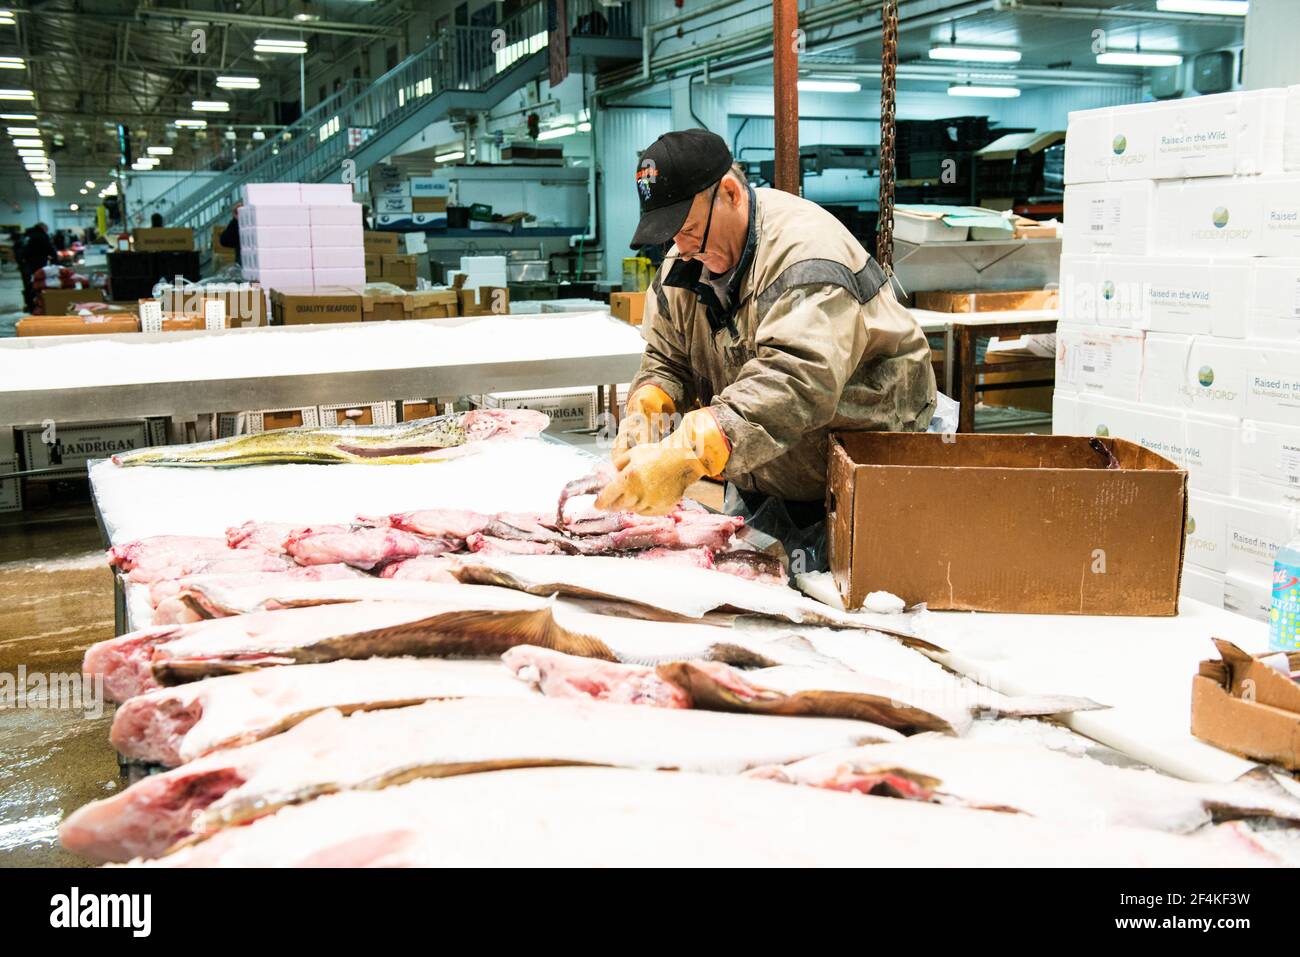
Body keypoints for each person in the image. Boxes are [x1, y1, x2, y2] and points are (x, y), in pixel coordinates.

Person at [597, 129, 936, 572]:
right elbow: (667, 358)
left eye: (690, 230)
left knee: (863, 610)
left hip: (862, 472)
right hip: (766, 469)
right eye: (671, 236)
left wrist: (691, 450)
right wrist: (649, 409)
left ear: (731, 193)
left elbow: (797, 379)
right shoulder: (684, 260)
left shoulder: (805, 254)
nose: (682, 249)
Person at [20, 222, 56, 312]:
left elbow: (19, 249)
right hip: (37, 264)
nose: (47, 231)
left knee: (28, 285)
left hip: (25, 264)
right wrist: (55, 258)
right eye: (46, 229)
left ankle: (29, 305)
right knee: (38, 284)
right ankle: (39, 305)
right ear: (43, 228)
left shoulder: (27, 236)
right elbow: (49, 248)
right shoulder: (41, 236)